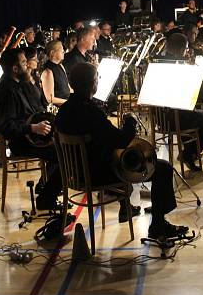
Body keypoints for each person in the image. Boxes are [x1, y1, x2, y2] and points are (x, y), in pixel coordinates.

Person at [54, 62, 187, 240]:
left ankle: (129, 208)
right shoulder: (91, 112)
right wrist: (130, 122)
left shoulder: (63, 111)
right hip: (96, 175)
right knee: (161, 167)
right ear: (93, 84)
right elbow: (121, 140)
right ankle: (158, 225)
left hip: (74, 174)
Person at [0, 49, 62, 209]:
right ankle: (46, 199)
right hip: (22, 141)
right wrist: (33, 128)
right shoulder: (6, 91)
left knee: (63, 145)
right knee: (63, 154)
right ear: (15, 69)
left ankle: (45, 188)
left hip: (32, 136)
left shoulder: (21, 83)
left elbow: (38, 107)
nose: (28, 66)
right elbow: (6, 126)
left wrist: (30, 81)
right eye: (24, 63)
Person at [161, 34, 203, 171]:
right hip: (179, 116)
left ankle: (189, 150)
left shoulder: (159, 63)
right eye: (186, 48)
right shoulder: (179, 66)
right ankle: (189, 153)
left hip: (160, 119)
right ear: (182, 49)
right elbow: (198, 89)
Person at [41, 39, 72, 106]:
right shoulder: (48, 71)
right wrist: (69, 102)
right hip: (59, 107)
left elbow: (68, 88)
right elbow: (50, 98)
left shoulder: (61, 66)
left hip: (67, 102)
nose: (63, 51)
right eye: (61, 49)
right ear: (52, 52)